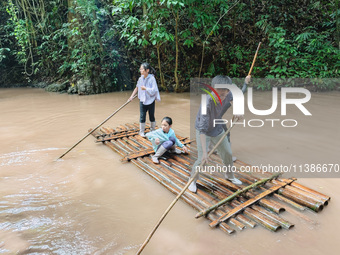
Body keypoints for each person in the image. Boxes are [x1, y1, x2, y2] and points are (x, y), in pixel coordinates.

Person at [188, 75, 251, 193]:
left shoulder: (228, 94)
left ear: (228, 92)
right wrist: (205, 153)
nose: (220, 97)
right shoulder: (206, 104)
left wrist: (238, 110)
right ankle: (192, 179)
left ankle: (229, 176)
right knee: (202, 159)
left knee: (227, 153)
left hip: (217, 126)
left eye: (223, 95)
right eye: (217, 94)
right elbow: (202, 130)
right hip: (204, 130)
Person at [128, 63, 161, 137]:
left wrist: (146, 88)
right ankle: (142, 132)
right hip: (142, 100)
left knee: (151, 115)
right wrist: (131, 96)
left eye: (142, 69)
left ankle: (152, 130)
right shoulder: (140, 79)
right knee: (142, 116)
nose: (140, 70)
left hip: (150, 100)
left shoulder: (152, 78)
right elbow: (137, 88)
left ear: (147, 70)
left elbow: (154, 90)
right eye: (140, 69)